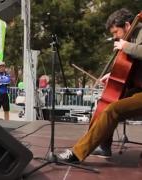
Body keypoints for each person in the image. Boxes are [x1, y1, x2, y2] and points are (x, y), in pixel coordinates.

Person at [58, 8, 142, 163]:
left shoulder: (140, 32)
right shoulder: (131, 38)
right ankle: (104, 146)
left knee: (113, 109)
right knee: (107, 104)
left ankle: (77, 153)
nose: (115, 37)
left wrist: (126, 47)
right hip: (137, 90)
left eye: (116, 32)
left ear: (127, 25)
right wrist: (115, 74)